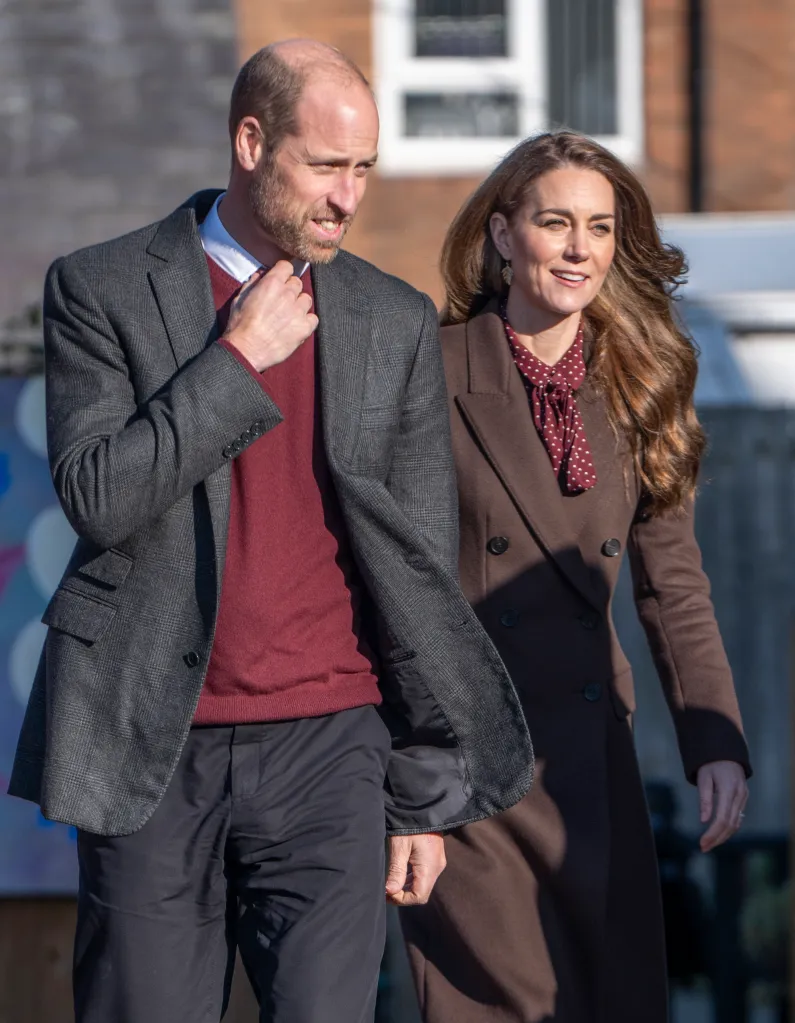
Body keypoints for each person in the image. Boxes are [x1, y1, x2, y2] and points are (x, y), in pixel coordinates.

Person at [8, 41, 533, 1023]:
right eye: (325, 166)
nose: (348, 196)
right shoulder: (101, 287)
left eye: (364, 168)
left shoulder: (392, 318)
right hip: (149, 748)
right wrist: (238, 363)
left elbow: (418, 570)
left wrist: (423, 787)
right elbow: (98, 497)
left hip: (332, 749)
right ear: (252, 143)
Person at [401, 131, 751, 1023]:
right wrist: (406, 779)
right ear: (502, 234)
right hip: (473, 761)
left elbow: (672, 582)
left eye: (598, 227)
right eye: (554, 222)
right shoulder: (428, 371)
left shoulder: (642, 380)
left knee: (609, 999)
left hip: (593, 760)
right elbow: (393, 580)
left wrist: (713, 740)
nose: (577, 247)